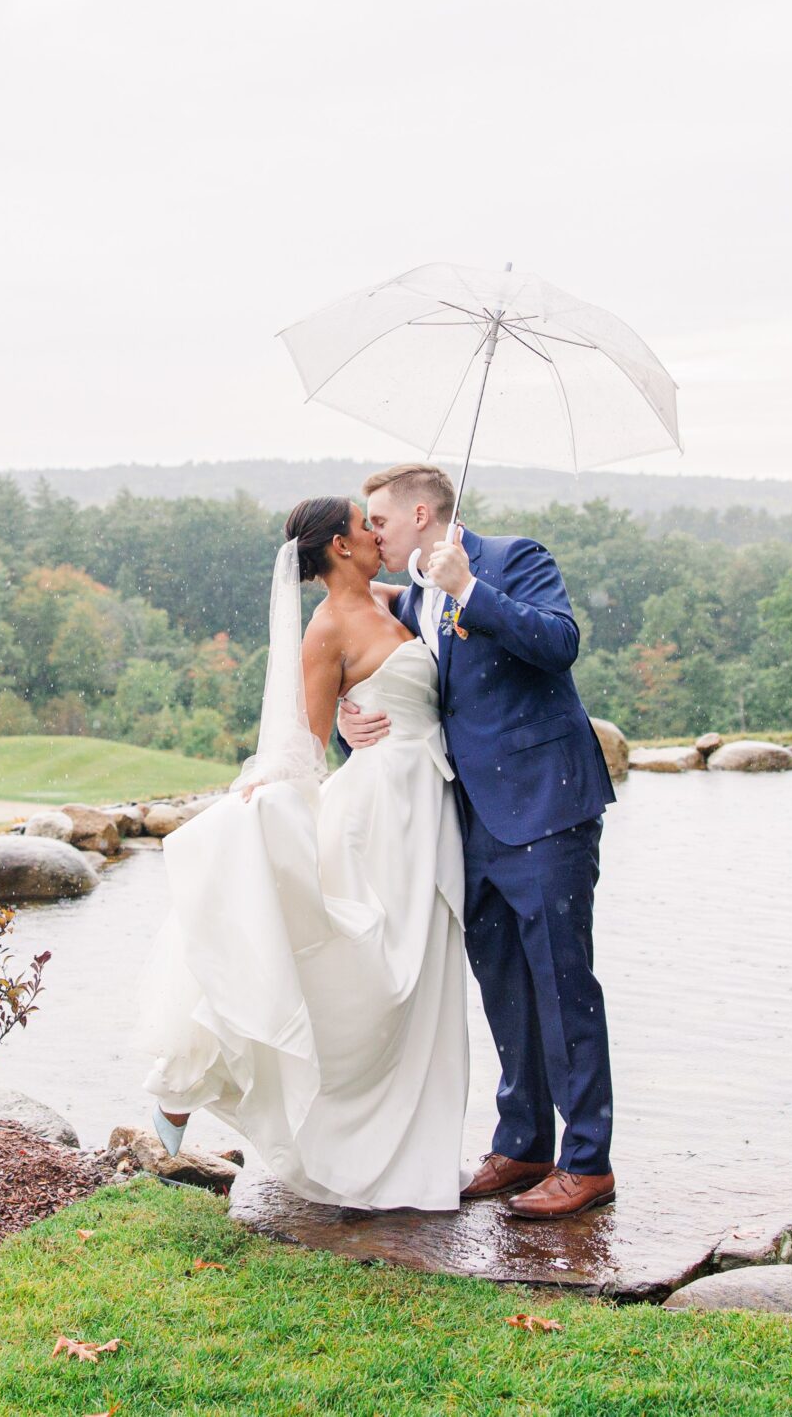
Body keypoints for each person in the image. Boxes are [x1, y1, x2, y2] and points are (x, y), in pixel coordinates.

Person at [133, 496, 469, 1211]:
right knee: (376, 978)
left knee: (424, 984)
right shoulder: (325, 629)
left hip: (424, 811)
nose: (378, 532)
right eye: (364, 524)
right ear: (340, 547)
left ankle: (416, 1154)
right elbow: (303, 745)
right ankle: (221, 1082)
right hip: (377, 816)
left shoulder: (398, 601)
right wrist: (259, 797)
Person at [342, 462, 617, 1220]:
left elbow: (560, 642)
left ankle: (587, 1160)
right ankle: (523, 1139)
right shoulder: (413, 596)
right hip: (471, 821)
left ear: (422, 513)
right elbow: (389, 681)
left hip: (546, 810)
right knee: (503, 984)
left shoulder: (511, 559)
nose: (373, 534)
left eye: (381, 520)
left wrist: (470, 588)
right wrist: (348, 721)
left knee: (563, 983)